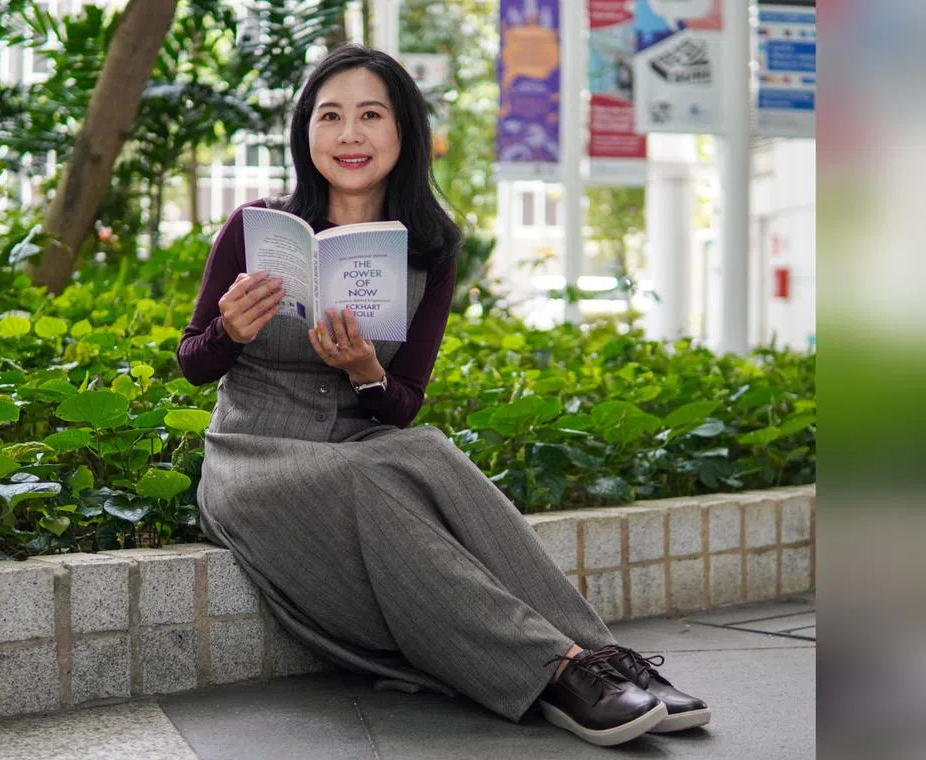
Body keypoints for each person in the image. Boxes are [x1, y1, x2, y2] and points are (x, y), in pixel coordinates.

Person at [176, 44, 708, 747]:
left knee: (423, 450)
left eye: (371, 115)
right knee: (371, 469)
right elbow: (191, 364)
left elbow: (400, 405)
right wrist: (227, 331)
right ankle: (556, 670)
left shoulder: (431, 246)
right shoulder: (255, 227)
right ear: (306, 133)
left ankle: (603, 658)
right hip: (254, 457)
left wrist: (366, 369)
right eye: (330, 117)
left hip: (353, 445)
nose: (350, 135)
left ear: (403, 132)